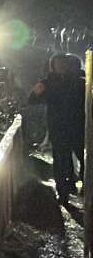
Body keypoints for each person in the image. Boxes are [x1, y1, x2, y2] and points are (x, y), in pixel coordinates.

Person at [28, 53, 87, 201]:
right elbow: (33, 100)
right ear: (53, 66)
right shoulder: (48, 83)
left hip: (78, 126)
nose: (61, 66)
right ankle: (63, 191)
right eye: (57, 64)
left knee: (83, 157)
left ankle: (84, 185)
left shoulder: (79, 82)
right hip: (58, 128)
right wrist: (36, 93)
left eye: (63, 63)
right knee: (61, 160)